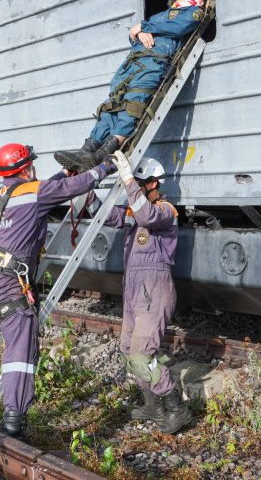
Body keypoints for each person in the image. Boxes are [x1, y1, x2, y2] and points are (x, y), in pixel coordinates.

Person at [0, 143, 113, 442]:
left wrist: (63, 172)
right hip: (8, 286)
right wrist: (105, 167)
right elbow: (74, 186)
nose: (34, 168)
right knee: (19, 351)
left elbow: (43, 189)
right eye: (32, 164)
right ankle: (13, 427)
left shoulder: (0, 197)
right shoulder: (34, 192)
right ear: (25, 168)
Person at [54, 0, 210, 174]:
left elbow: (178, 28)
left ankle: (104, 153)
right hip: (130, 65)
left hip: (153, 64)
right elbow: (136, 36)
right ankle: (86, 150)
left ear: (200, 1)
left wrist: (143, 27)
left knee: (132, 106)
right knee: (112, 105)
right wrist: (138, 32)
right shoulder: (162, 15)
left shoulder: (193, 13)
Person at [103, 150, 191, 434]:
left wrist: (127, 176)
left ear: (152, 184)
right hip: (133, 290)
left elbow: (146, 215)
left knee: (143, 353)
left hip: (154, 289)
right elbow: (99, 213)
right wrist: (83, 185)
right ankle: (153, 406)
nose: (133, 191)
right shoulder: (133, 212)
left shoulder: (166, 211)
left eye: (138, 184)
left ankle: (178, 410)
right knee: (130, 350)